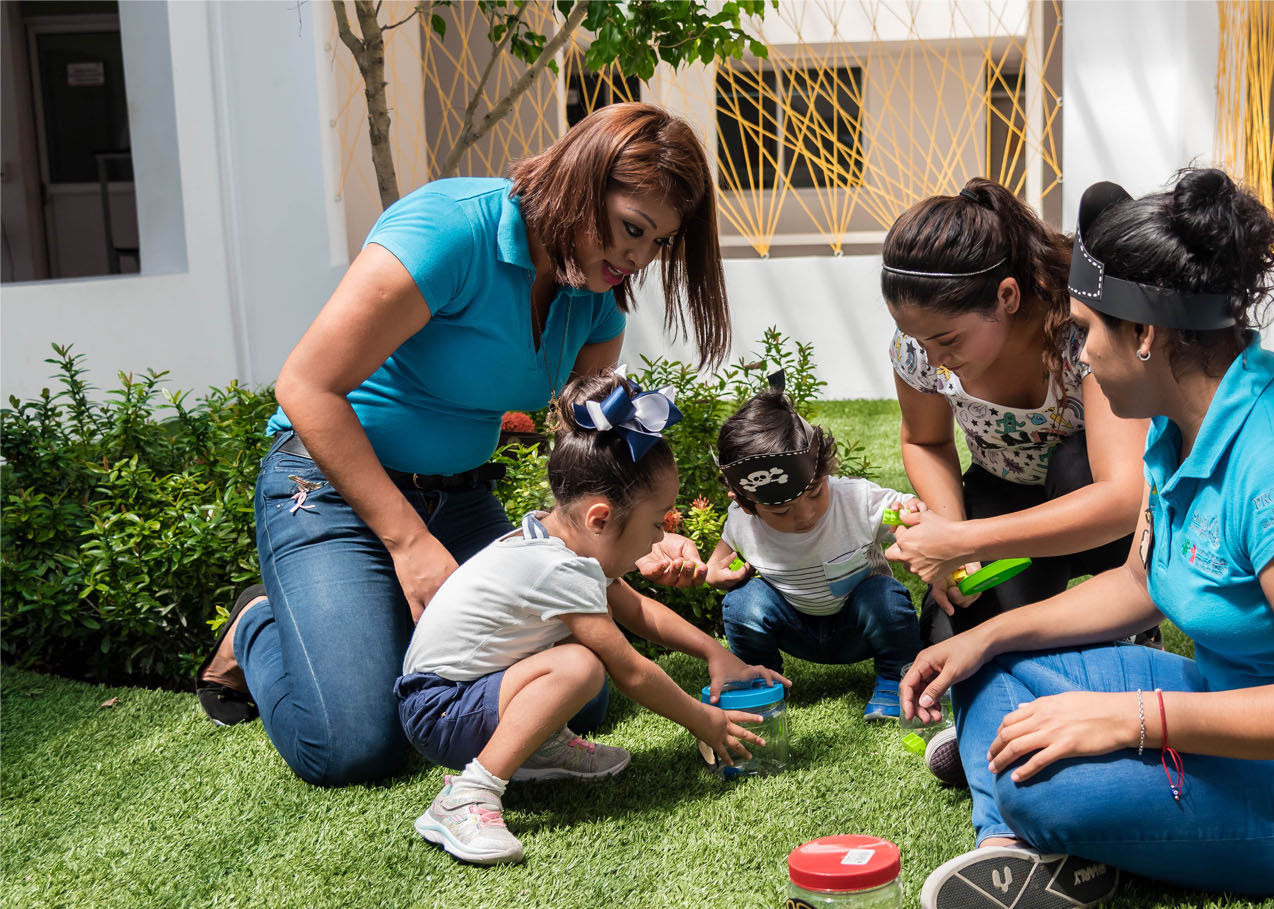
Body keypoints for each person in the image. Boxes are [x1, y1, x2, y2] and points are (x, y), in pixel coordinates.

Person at [900, 169, 1274, 909]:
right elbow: (1139, 583)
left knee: (1054, 791)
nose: (1080, 357)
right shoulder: (1176, 426)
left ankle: (1019, 817)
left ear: (1144, 334)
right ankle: (1008, 840)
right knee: (992, 668)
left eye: (1084, 331)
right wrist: (983, 636)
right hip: (1237, 701)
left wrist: (1130, 718)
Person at [193, 103, 730, 786]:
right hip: (330, 491)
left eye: (656, 243)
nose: (635, 259)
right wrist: (407, 542)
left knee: (586, 697)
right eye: (631, 229)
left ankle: (368, 625)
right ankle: (256, 627)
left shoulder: (595, 297)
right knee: (354, 745)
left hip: (461, 496)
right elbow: (305, 386)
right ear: (580, 180)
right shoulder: (449, 228)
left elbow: (589, 446)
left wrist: (638, 531)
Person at [400, 370, 787, 865]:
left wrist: (715, 653)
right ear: (600, 518)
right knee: (578, 665)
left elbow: (639, 610)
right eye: (656, 523)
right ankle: (467, 796)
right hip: (440, 711)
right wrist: (702, 719)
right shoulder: (557, 567)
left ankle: (537, 749)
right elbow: (630, 669)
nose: (658, 540)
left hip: (463, 694)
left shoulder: (556, 539)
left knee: (573, 661)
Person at [879, 178, 1149, 649]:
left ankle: (1132, 617)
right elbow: (925, 441)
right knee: (955, 631)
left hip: (1098, 509)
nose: (932, 359)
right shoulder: (919, 350)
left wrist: (969, 540)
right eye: (918, 340)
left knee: (1073, 462)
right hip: (1004, 492)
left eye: (947, 340)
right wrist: (955, 537)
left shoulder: (1081, 332)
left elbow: (1124, 497)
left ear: (1006, 296)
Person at [704, 373, 922, 720]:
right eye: (780, 511)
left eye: (816, 493)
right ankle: (760, 683)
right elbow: (719, 560)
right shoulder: (742, 521)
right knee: (741, 602)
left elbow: (909, 512)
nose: (805, 515)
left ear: (824, 469)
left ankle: (896, 681)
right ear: (746, 503)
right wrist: (716, 574)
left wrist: (913, 522)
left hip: (859, 624)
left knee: (884, 595)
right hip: (795, 627)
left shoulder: (856, 500)